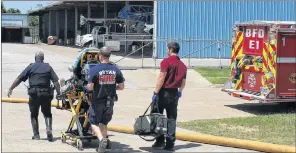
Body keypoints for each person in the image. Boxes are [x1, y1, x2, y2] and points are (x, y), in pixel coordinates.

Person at [7, 51, 61, 142]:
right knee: (47, 113)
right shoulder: (48, 67)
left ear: (35, 58)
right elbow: (55, 82)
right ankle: (48, 130)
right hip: (46, 94)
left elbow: (19, 79)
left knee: (34, 114)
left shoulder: (31, 67)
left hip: (34, 94)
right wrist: (59, 93)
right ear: (43, 58)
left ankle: (36, 135)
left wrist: (11, 88)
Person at [86, 46, 125, 153]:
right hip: (110, 101)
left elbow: (90, 87)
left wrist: (86, 88)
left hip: (98, 100)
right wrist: (113, 86)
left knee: (93, 121)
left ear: (100, 55)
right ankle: (103, 143)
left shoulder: (94, 69)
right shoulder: (115, 69)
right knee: (104, 122)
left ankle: (102, 139)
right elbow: (121, 87)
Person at [151, 42, 187, 151]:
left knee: (158, 116)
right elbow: (183, 82)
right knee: (171, 118)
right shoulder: (183, 65)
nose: (167, 50)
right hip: (174, 93)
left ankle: (159, 140)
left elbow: (161, 78)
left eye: (167, 49)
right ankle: (170, 144)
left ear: (171, 49)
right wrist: (180, 91)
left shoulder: (166, 62)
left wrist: (155, 92)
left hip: (163, 92)